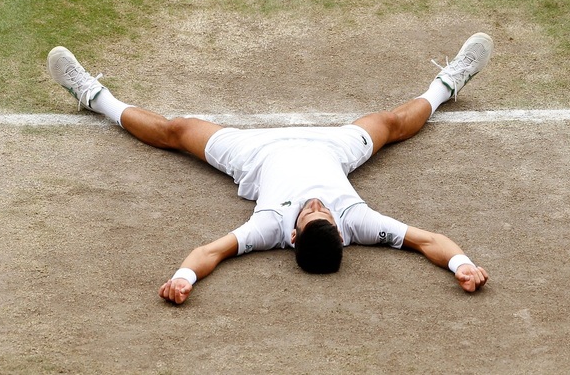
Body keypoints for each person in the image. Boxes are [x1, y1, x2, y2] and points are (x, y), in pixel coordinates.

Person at [47, 33, 493, 305]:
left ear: (293, 235)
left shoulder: (270, 226)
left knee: (176, 130)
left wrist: (181, 279)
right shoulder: (358, 223)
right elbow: (429, 241)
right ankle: (447, 83)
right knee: (391, 124)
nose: (317, 205)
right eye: (324, 211)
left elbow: (210, 253)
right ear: (340, 233)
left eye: (309, 212)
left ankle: (92, 95)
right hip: (331, 149)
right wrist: (462, 265)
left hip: (254, 153)